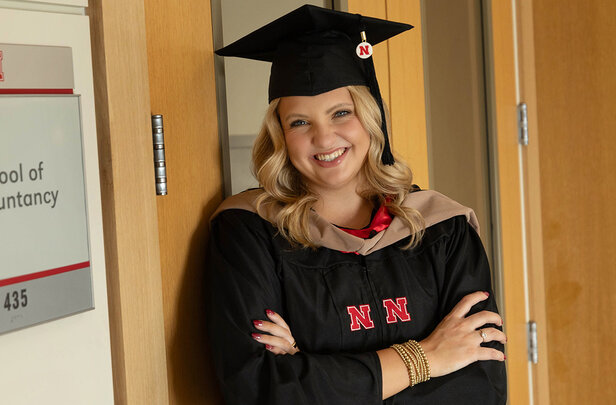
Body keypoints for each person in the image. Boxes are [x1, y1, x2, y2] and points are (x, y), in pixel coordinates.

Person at [207, 5, 506, 404]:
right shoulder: (250, 232)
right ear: (280, 135)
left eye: (341, 113)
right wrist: (427, 359)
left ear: (370, 117)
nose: (324, 137)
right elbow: (256, 389)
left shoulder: (443, 228)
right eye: (299, 122)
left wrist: (309, 369)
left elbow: (481, 390)